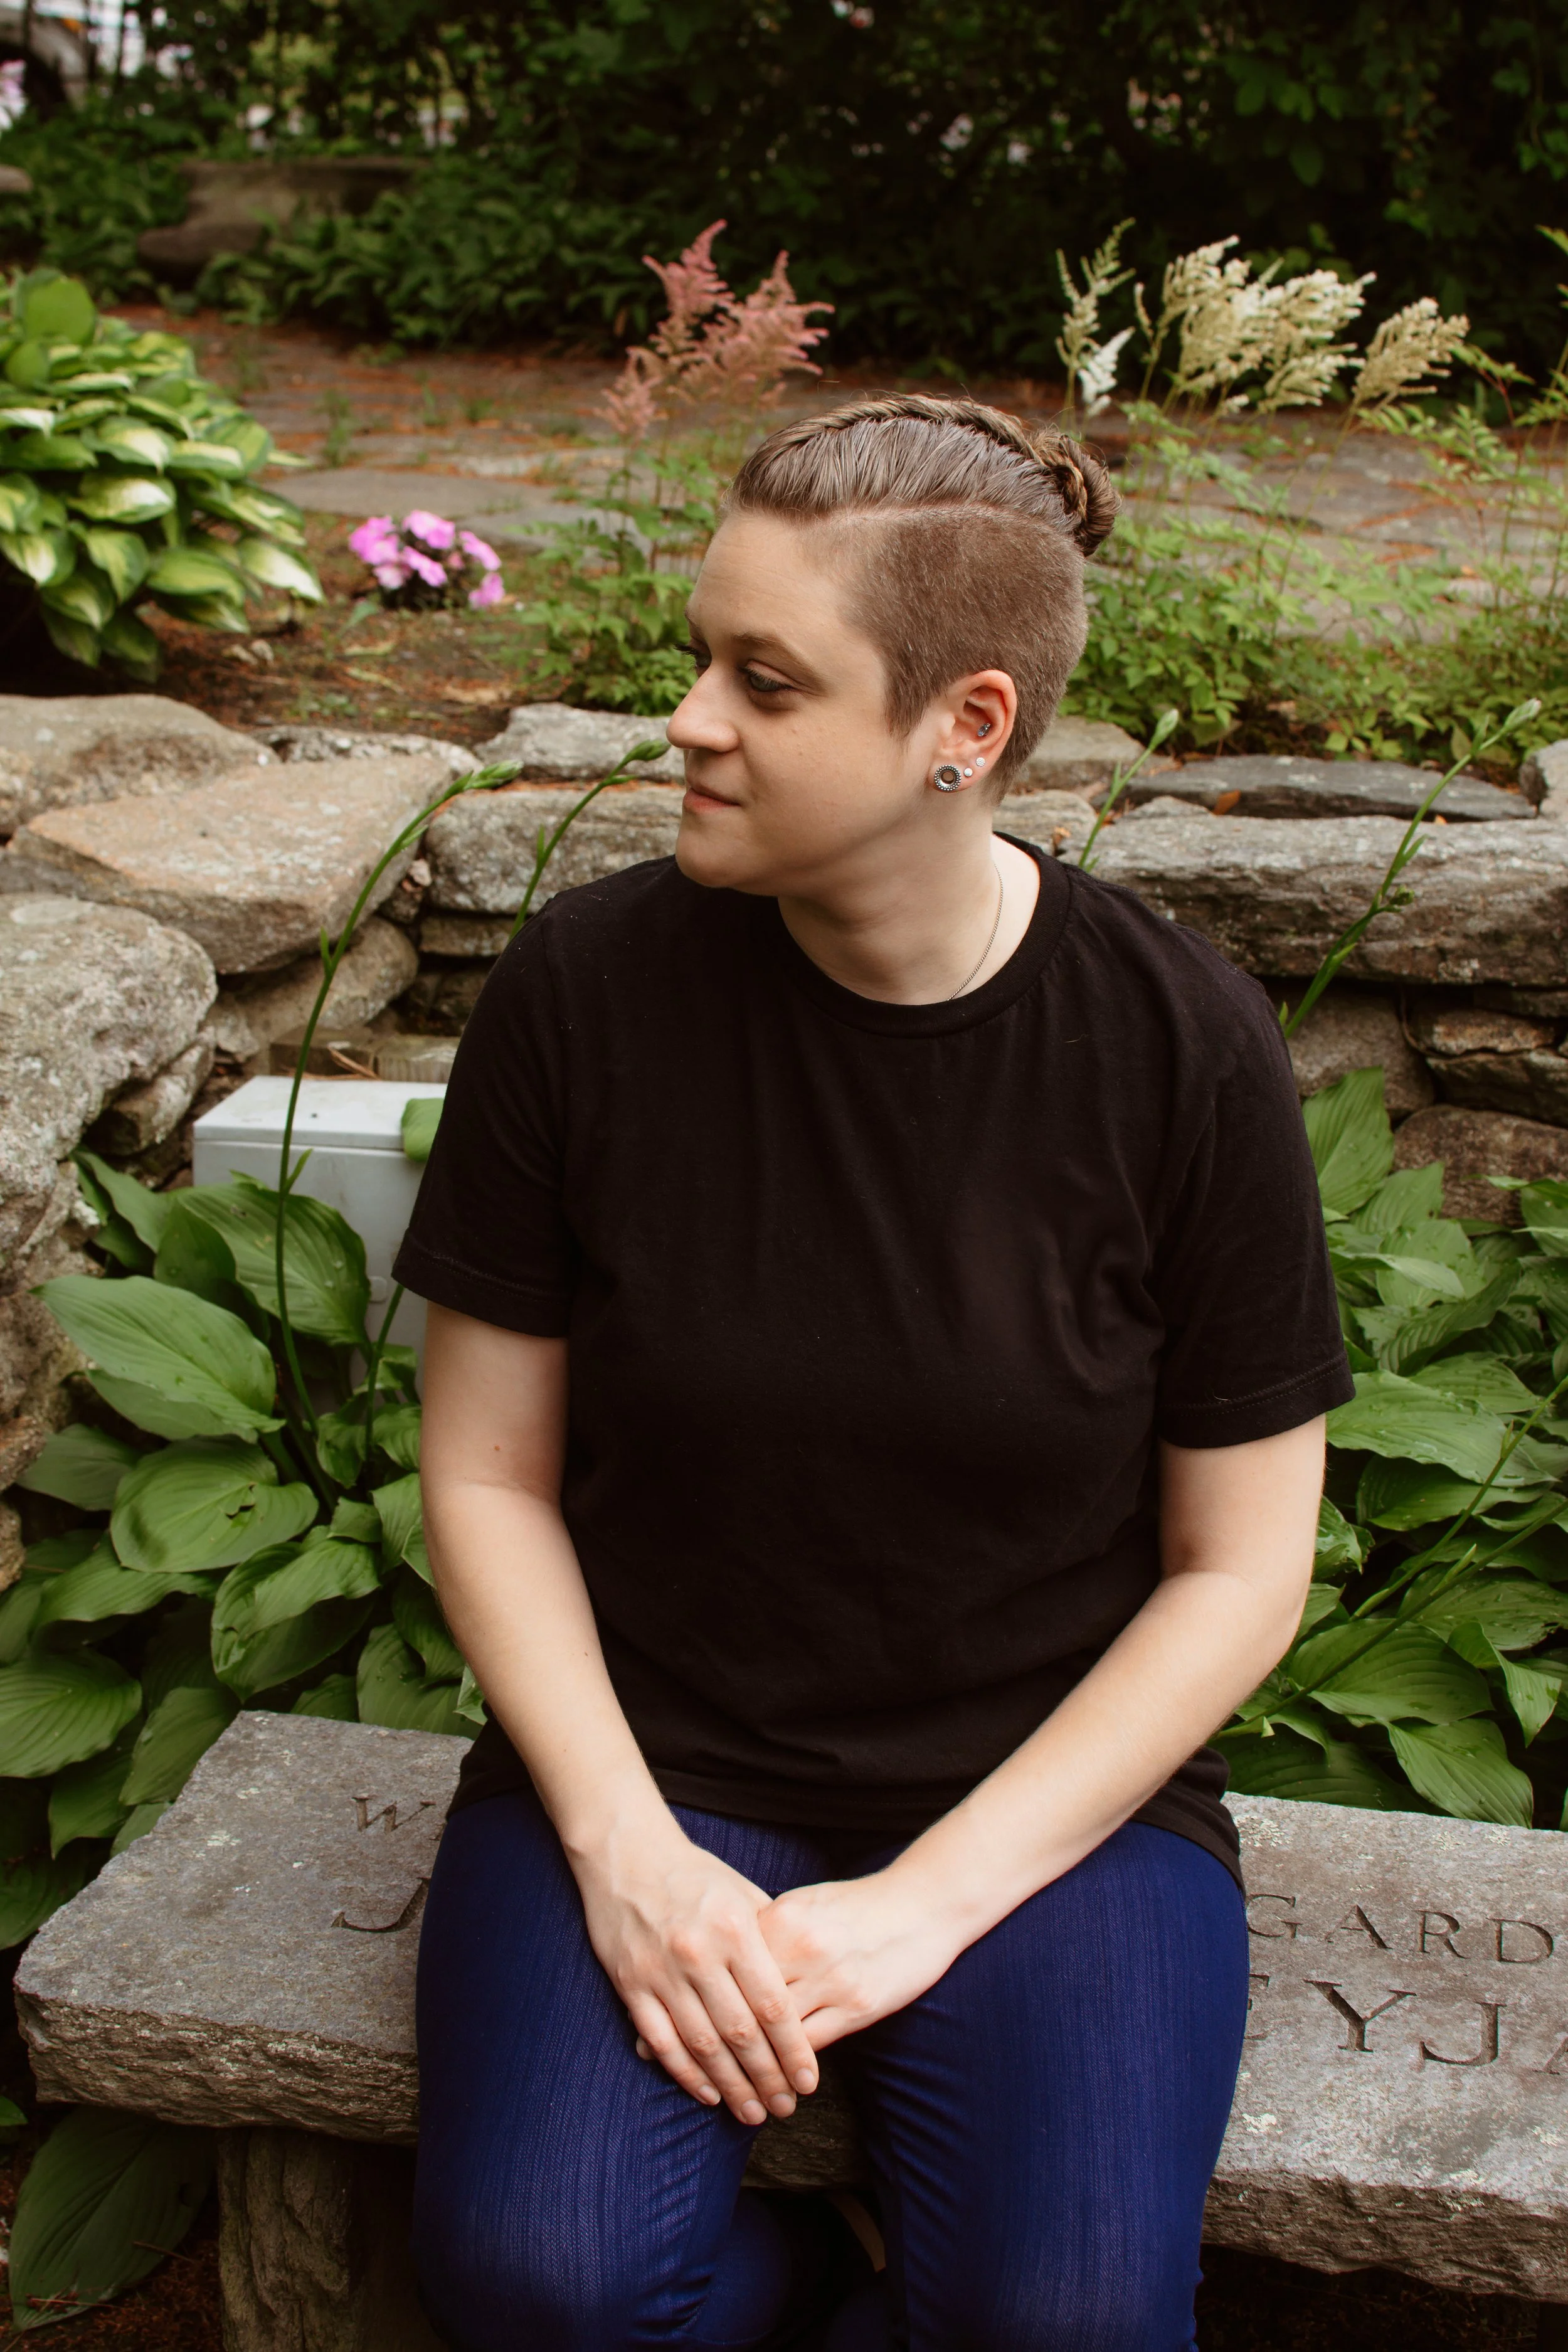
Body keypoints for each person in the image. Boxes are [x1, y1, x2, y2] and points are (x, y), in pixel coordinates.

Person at [395, 393, 1352, 2352]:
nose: (687, 717)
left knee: (1066, 2326)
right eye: (698, 653)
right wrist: (625, 1852)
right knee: (543, 2281)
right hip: (654, 1759)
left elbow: (1240, 1563)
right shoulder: (583, 994)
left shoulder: (1177, 1045)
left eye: (765, 678)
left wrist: (922, 1901)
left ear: (962, 728)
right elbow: (486, 1474)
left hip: (1043, 1791)